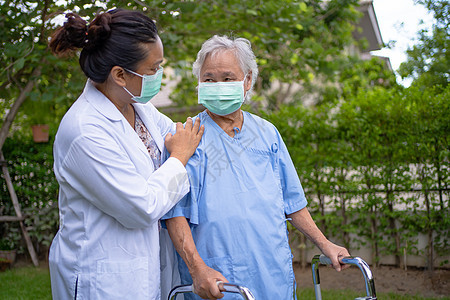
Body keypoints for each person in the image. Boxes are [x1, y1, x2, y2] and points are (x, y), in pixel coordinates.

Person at [163, 35, 350, 300]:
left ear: (247, 80)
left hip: (272, 269)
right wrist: (197, 269)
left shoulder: (267, 133)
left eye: (228, 78)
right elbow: (174, 214)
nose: (218, 86)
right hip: (218, 279)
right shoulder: (187, 137)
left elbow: (292, 202)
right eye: (208, 79)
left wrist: (325, 243)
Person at [48, 9, 204, 299]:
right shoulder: (84, 131)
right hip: (104, 278)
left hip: (146, 265)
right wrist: (178, 158)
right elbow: (140, 207)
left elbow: (181, 136)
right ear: (119, 74)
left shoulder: (138, 107)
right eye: (153, 69)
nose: (159, 75)